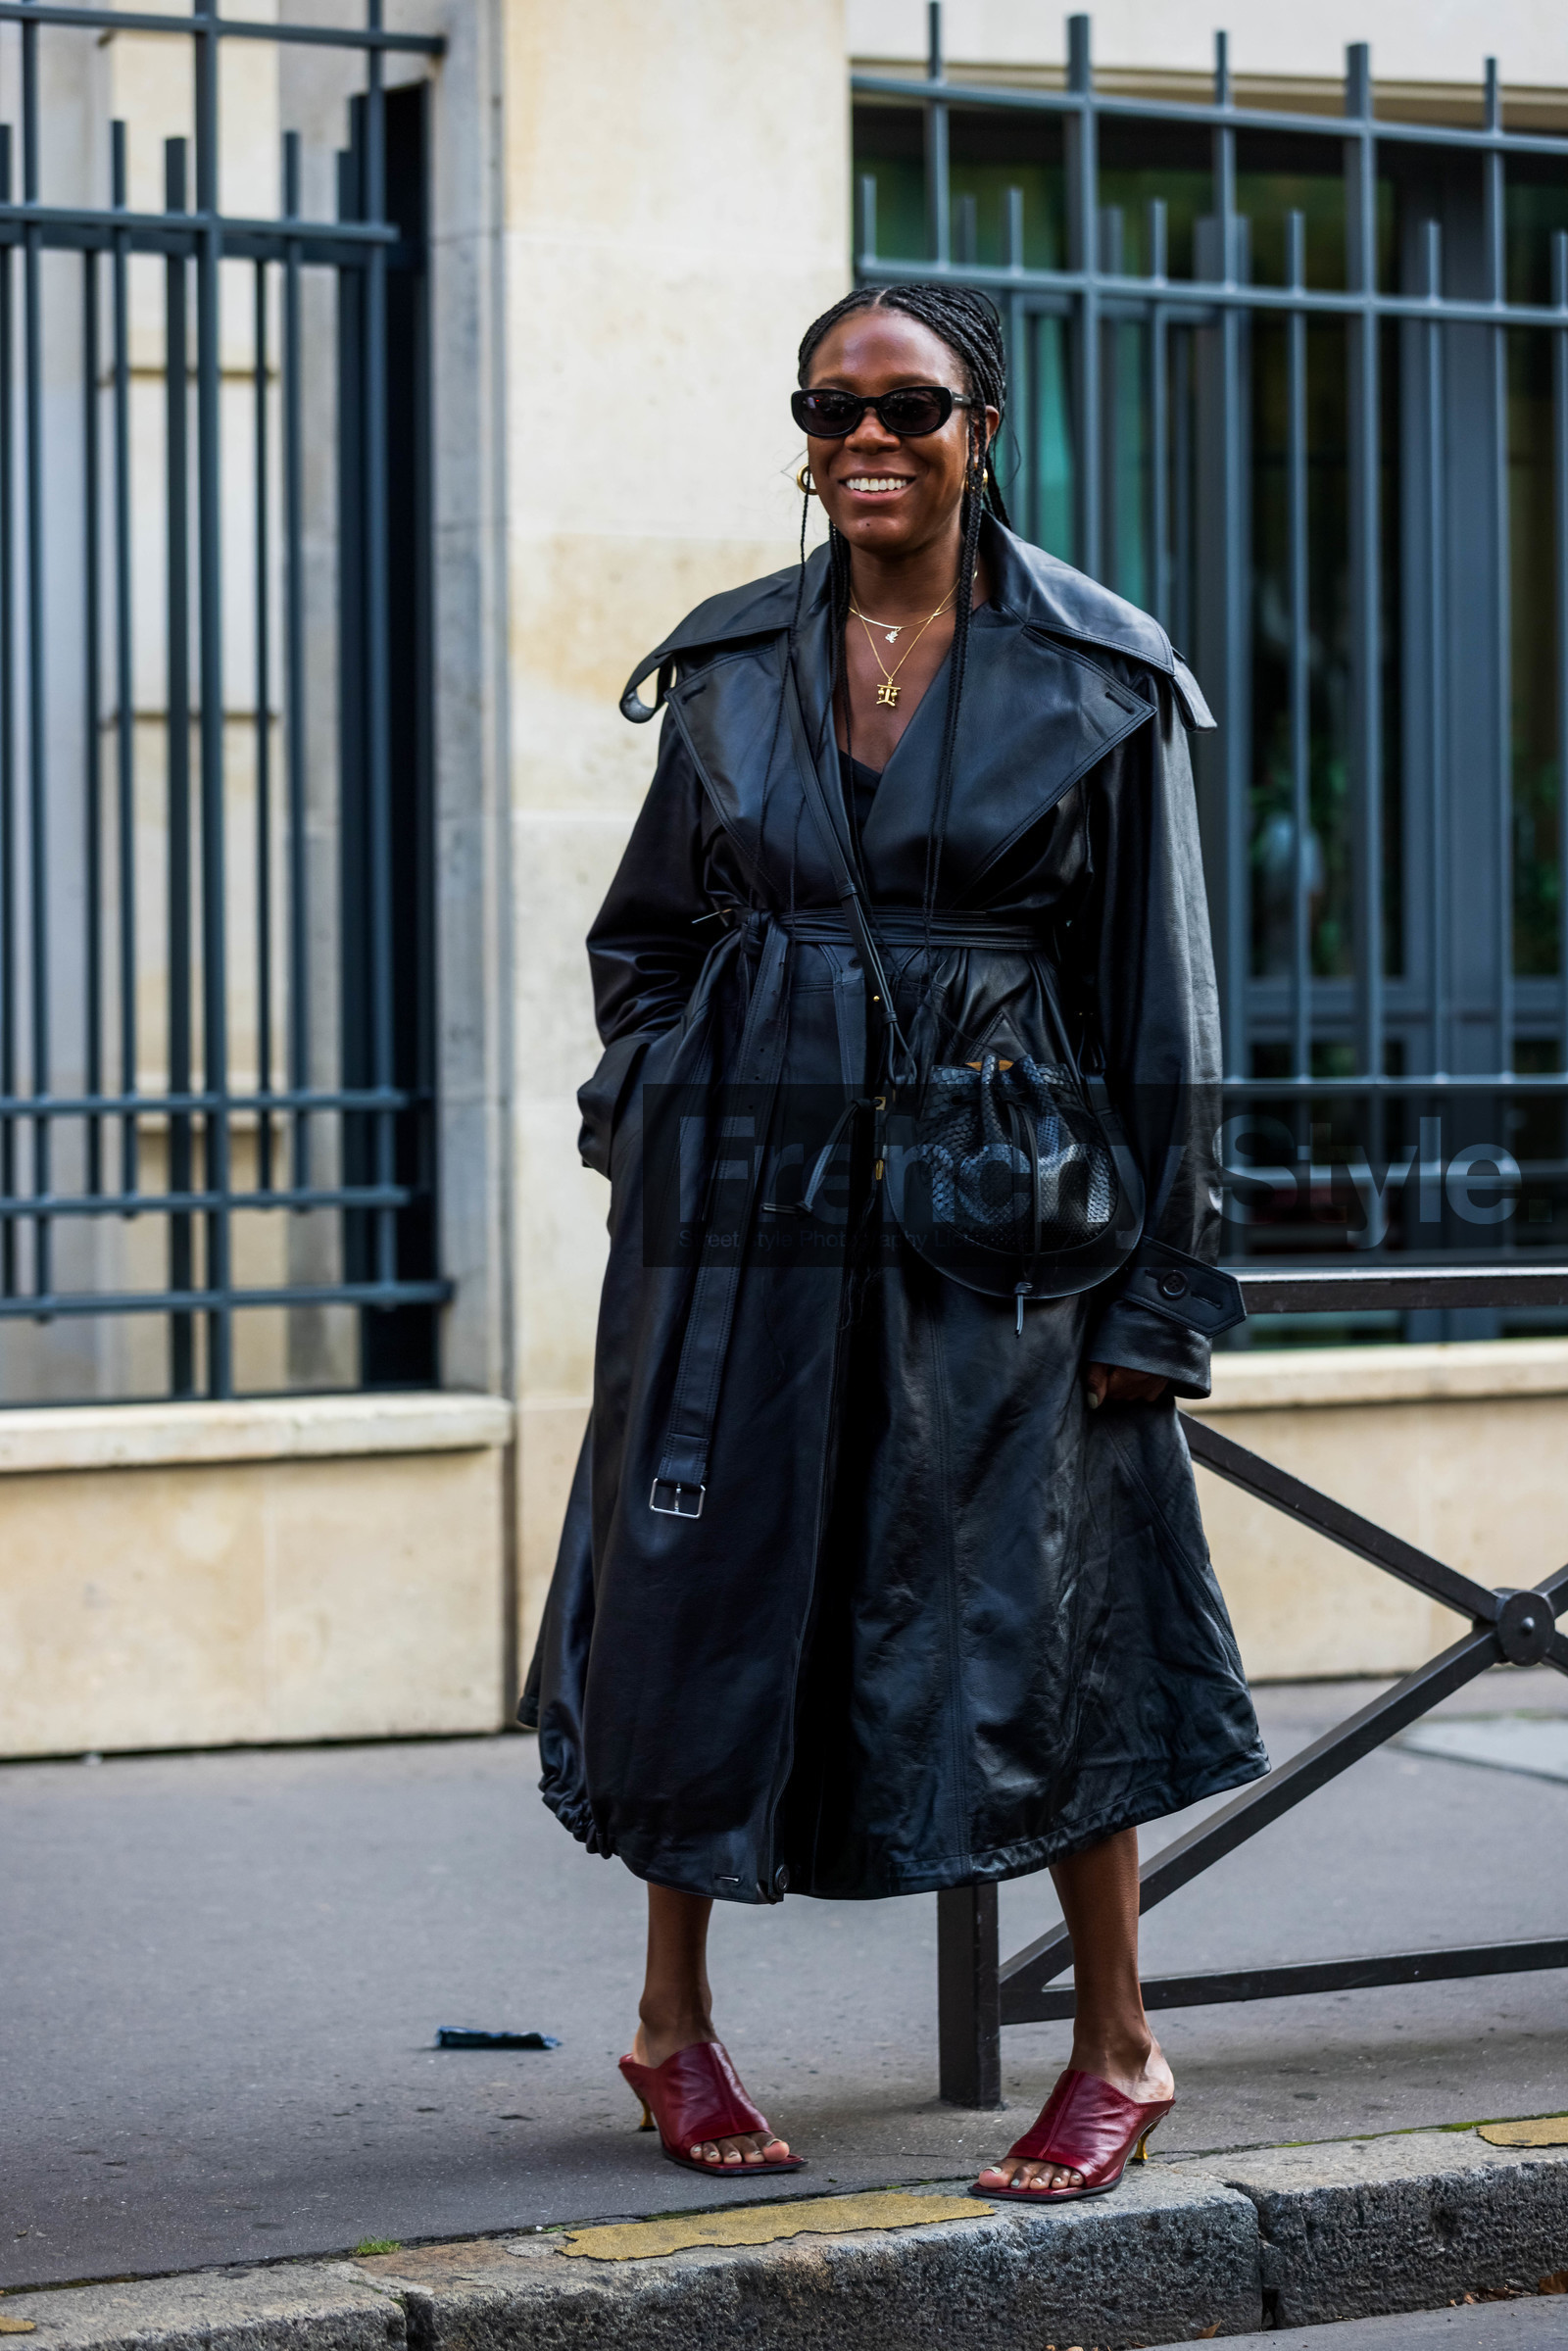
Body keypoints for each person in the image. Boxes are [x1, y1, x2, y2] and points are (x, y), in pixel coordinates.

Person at [519, 282, 1267, 2199]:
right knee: (712, 1602)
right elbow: (645, 944)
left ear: (975, 429)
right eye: (831, 405)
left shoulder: (1096, 677)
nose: (868, 436)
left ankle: (1118, 2046)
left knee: (1044, 1618)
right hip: (734, 1234)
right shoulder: (729, 669)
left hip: (997, 1237)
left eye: (907, 407)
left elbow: (1159, 1016)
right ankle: (666, 2025)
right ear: (801, 433)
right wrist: (659, 1118)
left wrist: (1158, 1293)